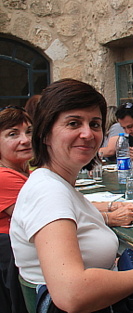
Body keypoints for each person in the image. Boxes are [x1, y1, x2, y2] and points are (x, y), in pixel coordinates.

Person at [10, 79, 133, 313]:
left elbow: (86, 260)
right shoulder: (47, 192)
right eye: (73, 123)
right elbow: (72, 293)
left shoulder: (58, 185)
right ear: (45, 134)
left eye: (95, 124)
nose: (87, 134)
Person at [0, 106, 31, 313]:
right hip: (10, 263)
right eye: (13, 134)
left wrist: (110, 207)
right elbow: (43, 216)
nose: (25, 139)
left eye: (29, 131)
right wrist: (110, 215)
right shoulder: (4, 177)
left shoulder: (24, 170)